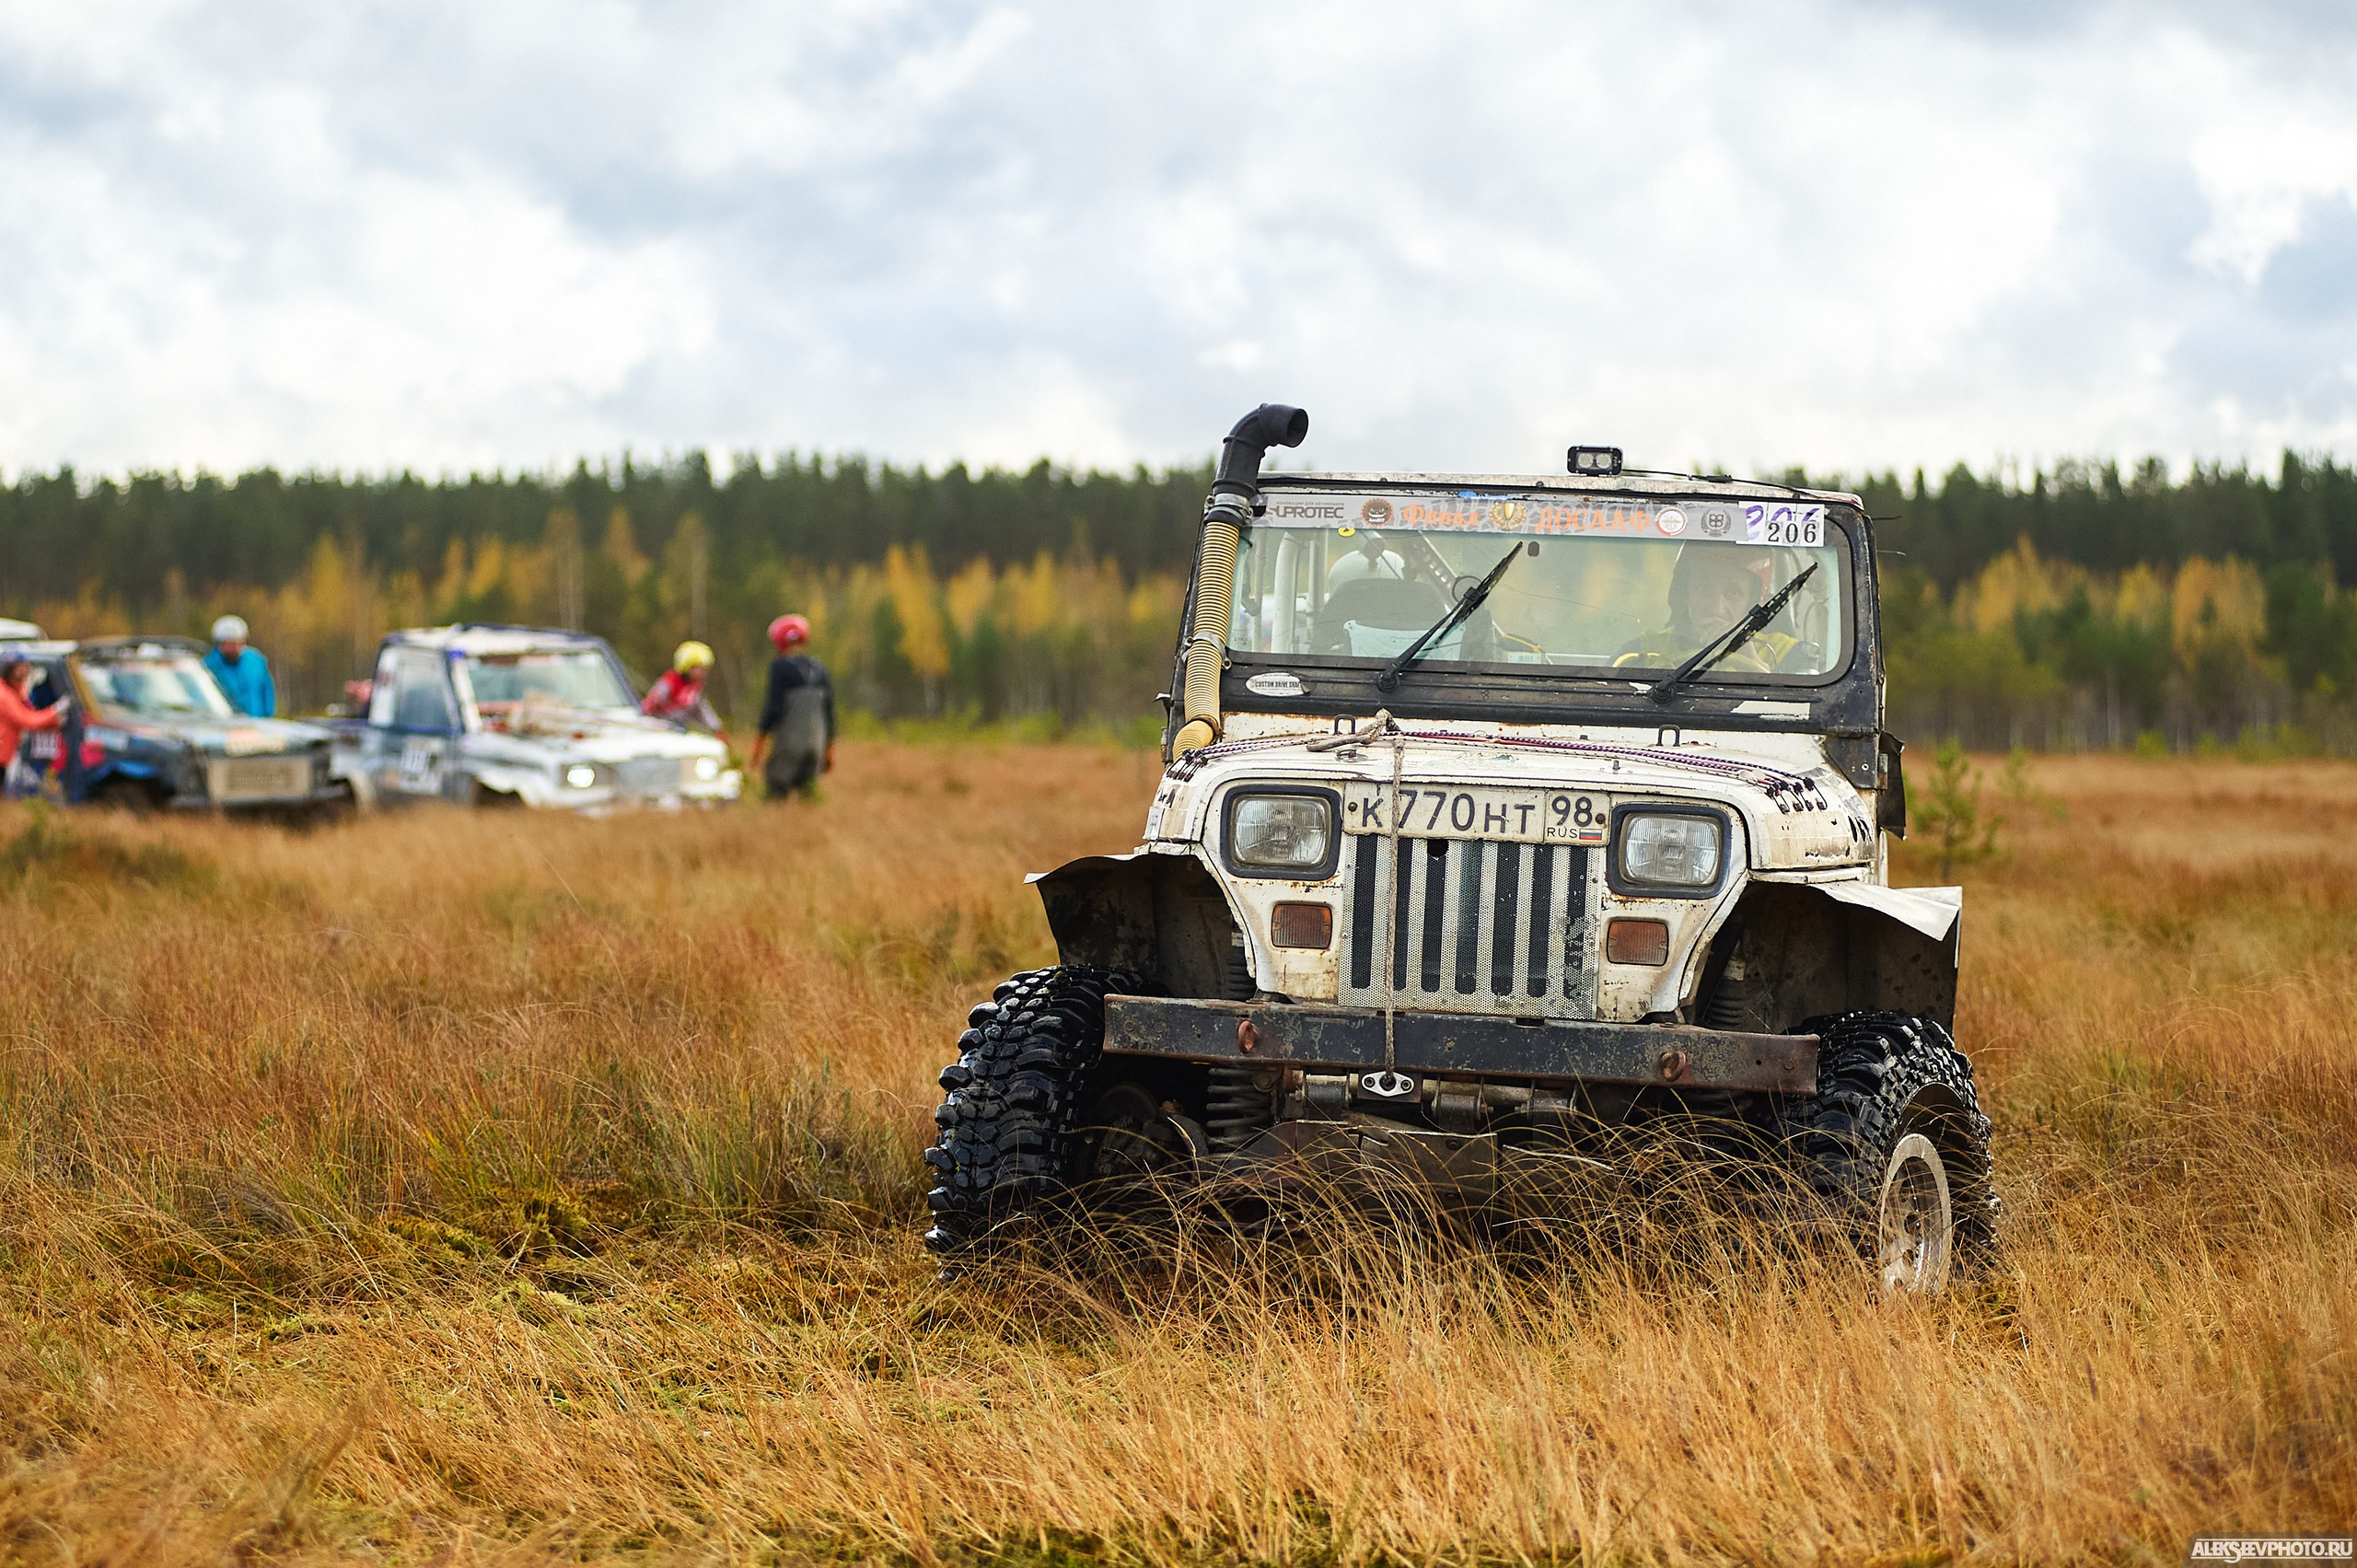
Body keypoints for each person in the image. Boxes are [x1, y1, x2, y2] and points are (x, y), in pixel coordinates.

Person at [1614, 546, 1798, 673]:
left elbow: (1799, 718)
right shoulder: (1639, 651)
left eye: (1733, 592)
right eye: (1704, 589)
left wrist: (1752, 662)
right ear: (1685, 594)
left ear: (1752, 602)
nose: (1717, 609)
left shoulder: (1789, 653)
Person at [749, 614, 833, 799]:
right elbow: (829, 713)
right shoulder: (820, 668)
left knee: (776, 792)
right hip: (815, 746)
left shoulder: (780, 667)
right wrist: (828, 750)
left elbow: (774, 708)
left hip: (789, 744)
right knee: (808, 794)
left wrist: (759, 743)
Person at [0, 656, 70, 798]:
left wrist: (54, 721)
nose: (26, 671)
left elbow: (31, 713)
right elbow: (26, 719)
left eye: (26, 666)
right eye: (20, 667)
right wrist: (55, 711)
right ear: (9, 668)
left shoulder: (14, 691)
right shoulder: (3, 695)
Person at [643, 640, 726, 738]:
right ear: (687, 666)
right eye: (700, 668)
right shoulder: (669, 681)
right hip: (657, 730)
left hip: (678, 731)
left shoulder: (695, 687)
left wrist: (717, 728)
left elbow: (703, 710)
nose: (704, 672)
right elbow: (648, 705)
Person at [203, 614, 277, 716]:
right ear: (220, 644)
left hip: (257, 722)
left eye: (238, 642)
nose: (235, 647)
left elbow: (267, 690)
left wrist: (268, 715)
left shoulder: (256, 661)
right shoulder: (208, 666)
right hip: (226, 725)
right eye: (230, 644)